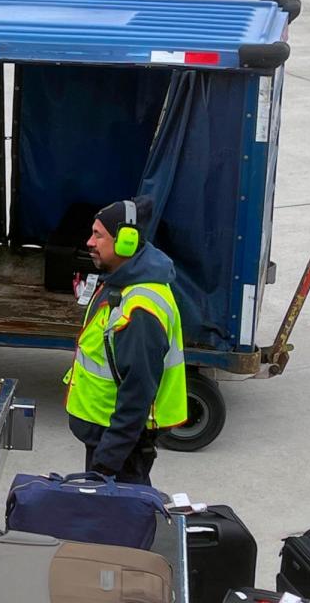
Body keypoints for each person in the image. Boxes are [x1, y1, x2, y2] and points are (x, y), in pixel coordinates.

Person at [62, 196, 187, 486]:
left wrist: (107, 463)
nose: (89, 242)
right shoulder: (121, 282)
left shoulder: (140, 309)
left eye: (98, 235)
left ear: (126, 242)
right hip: (108, 441)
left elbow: (138, 392)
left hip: (118, 451)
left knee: (117, 526)